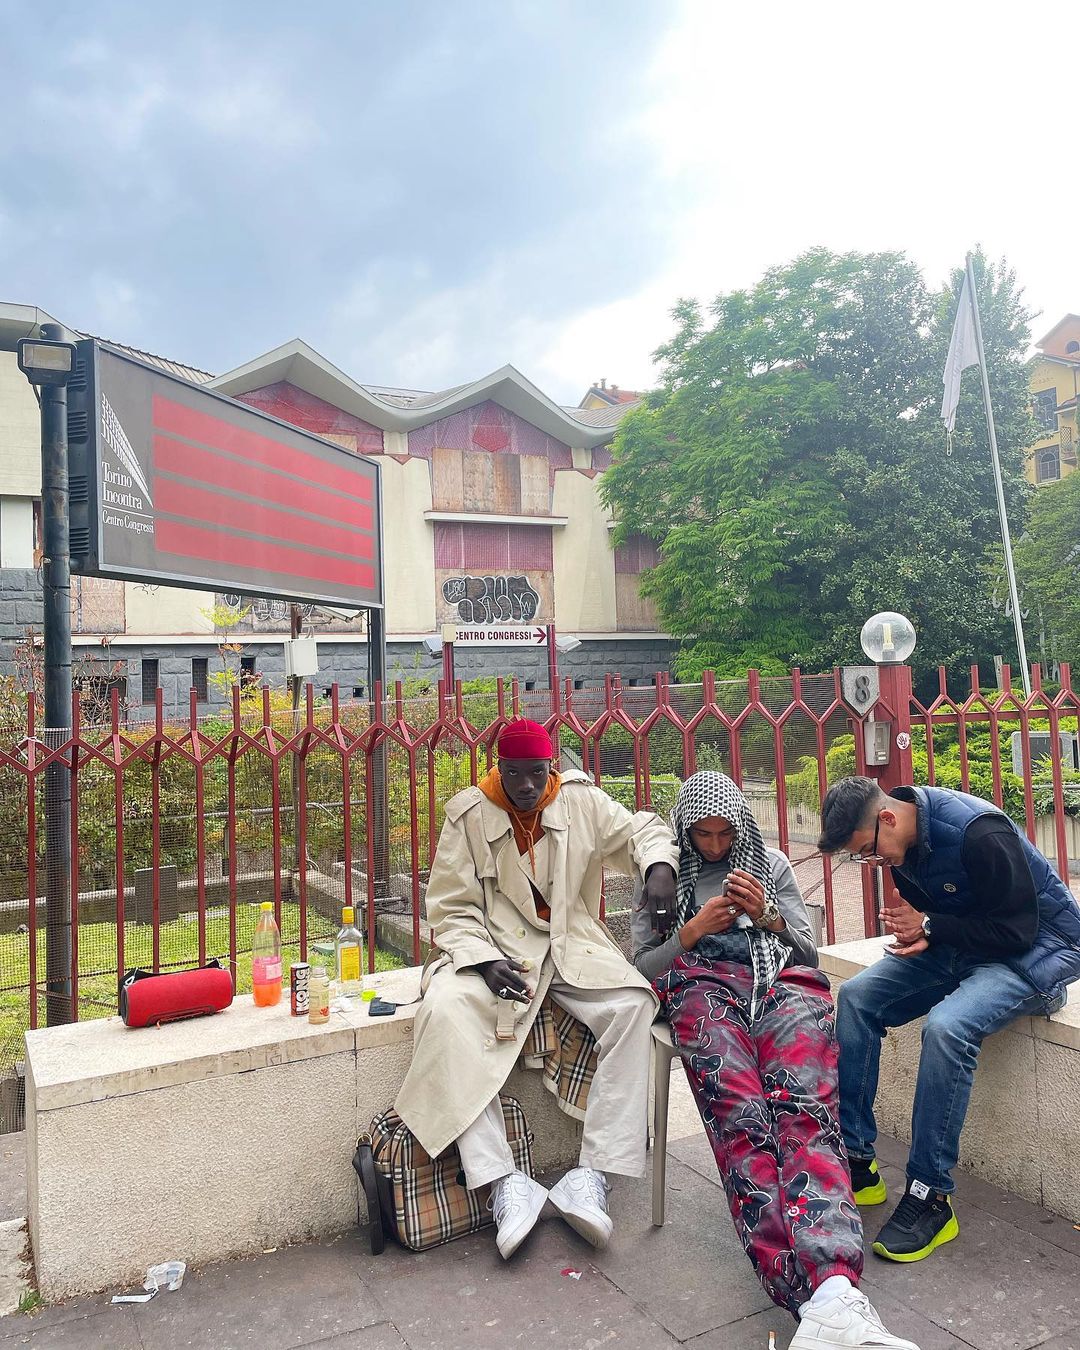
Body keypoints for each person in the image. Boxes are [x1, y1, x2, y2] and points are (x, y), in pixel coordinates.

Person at [634, 771, 918, 1350]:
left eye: (725, 833)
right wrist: (691, 932)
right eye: (703, 834)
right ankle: (815, 1297)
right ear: (685, 831)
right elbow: (639, 969)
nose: (716, 845)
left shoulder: (773, 866)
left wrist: (768, 915)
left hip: (782, 985)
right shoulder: (664, 880)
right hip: (703, 991)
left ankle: (833, 1282)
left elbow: (809, 953)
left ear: (741, 825)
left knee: (806, 1109)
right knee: (741, 1119)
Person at [394, 718, 680, 1260]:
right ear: (498, 768)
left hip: (572, 948)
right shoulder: (469, 815)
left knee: (633, 1005)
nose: (526, 785)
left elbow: (641, 830)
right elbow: (450, 908)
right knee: (445, 1015)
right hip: (497, 955)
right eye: (514, 773)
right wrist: (481, 960)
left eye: (536, 772)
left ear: (551, 768)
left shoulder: (581, 801)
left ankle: (592, 1176)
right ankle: (503, 1183)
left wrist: (659, 866)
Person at [818, 776, 1080, 1264]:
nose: (874, 862)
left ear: (887, 818)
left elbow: (1019, 931)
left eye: (869, 851)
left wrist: (930, 926)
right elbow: (943, 917)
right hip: (964, 948)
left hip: (1036, 953)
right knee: (856, 997)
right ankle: (856, 1160)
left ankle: (930, 1195)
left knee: (946, 1026)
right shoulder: (902, 847)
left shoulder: (980, 833)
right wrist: (926, 934)